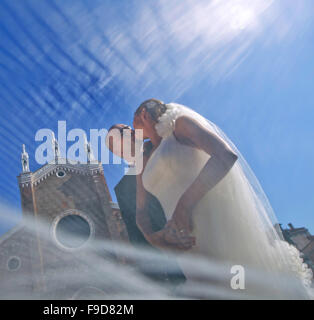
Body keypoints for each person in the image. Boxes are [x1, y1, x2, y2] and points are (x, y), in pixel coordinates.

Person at [132, 99, 312, 298]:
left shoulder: (180, 125)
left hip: (215, 227)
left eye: (135, 127)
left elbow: (225, 156)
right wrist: (155, 238)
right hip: (183, 241)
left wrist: (184, 206)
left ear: (144, 115)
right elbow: (140, 211)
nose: (135, 135)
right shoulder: (144, 159)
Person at [106, 125, 186, 289]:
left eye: (127, 129)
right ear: (117, 152)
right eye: (121, 134)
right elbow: (138, 242)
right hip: (175, 268)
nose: (129, 132)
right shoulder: (123, 190)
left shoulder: (167, 143)